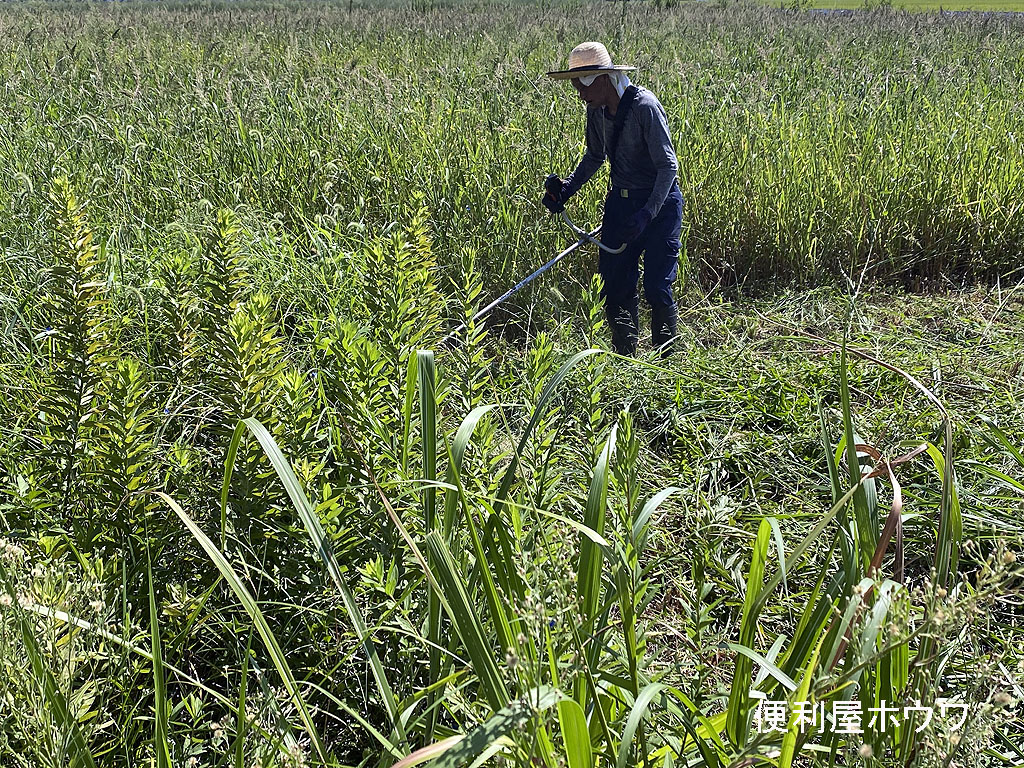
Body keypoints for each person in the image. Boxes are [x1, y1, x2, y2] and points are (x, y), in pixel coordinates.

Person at [543, 41, 683, 357]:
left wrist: (648, 213)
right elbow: (594, 157)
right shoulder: (595, 111)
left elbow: (668, 166)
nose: (579, 92)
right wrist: (565, 190)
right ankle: (626, 360)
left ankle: (666, 363)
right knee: (615, 286)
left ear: (604, 78)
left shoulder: (645, 107)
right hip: (621, 206)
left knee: (657, 288)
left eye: (584, 84)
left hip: (659, 207)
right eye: (576, 84)